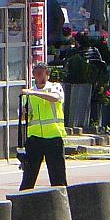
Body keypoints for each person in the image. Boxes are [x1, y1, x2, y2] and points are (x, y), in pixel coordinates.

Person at [19, 62, 67, 190]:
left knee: (57, 176)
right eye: (36, 73)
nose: (38, 76)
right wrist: (23, 113)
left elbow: (55, 98)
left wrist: (34, 93)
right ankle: (23, 204)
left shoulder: (54, 87)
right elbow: (25, 116)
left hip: (53, 137)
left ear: (47, 75)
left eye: (41, 73)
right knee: (29, 176)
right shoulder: (29, 93)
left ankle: (62, 202)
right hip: (35, 138)